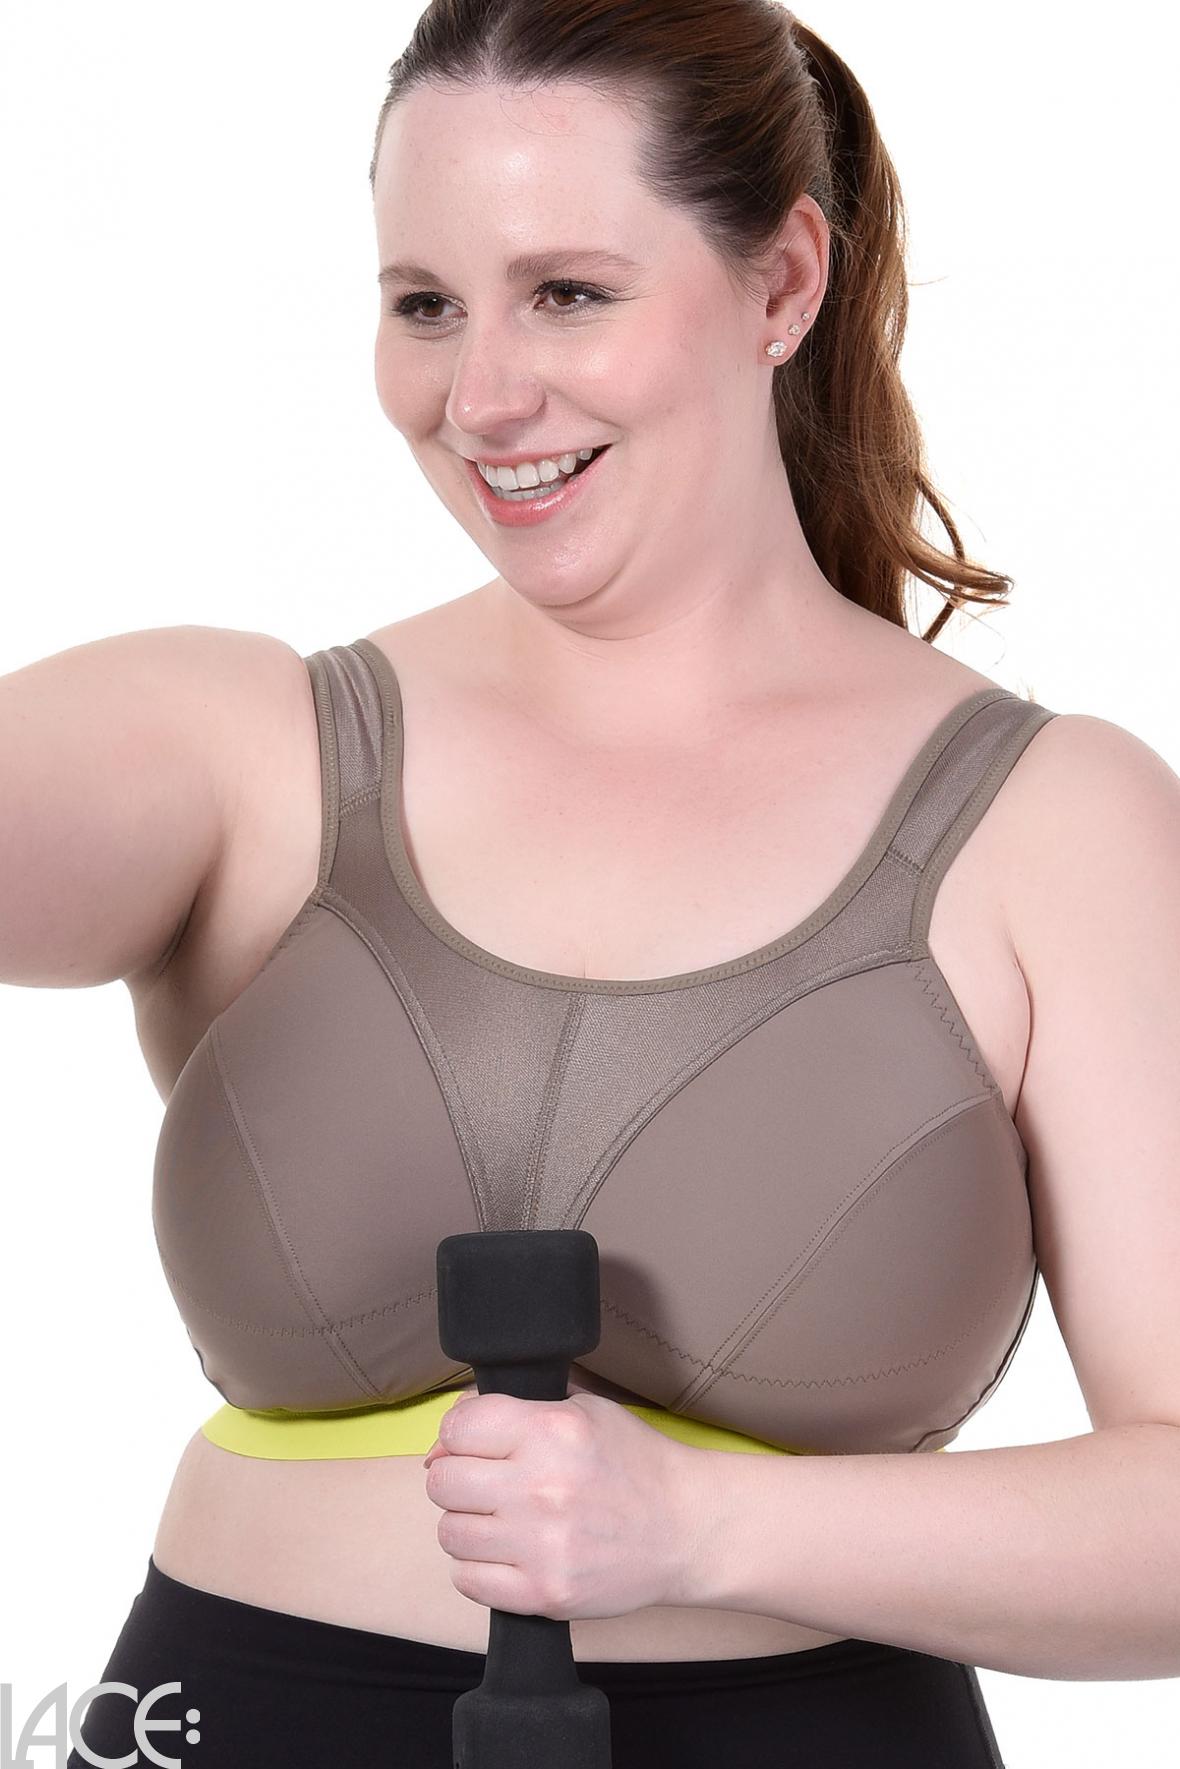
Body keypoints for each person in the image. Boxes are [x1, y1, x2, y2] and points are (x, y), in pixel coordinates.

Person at [1, 2, 1171, 1765]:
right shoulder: (247, 750)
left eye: (566, 292)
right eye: (425, 304)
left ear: (784, 283)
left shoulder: (1056, 823)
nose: (480, 397)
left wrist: (703, 1525)